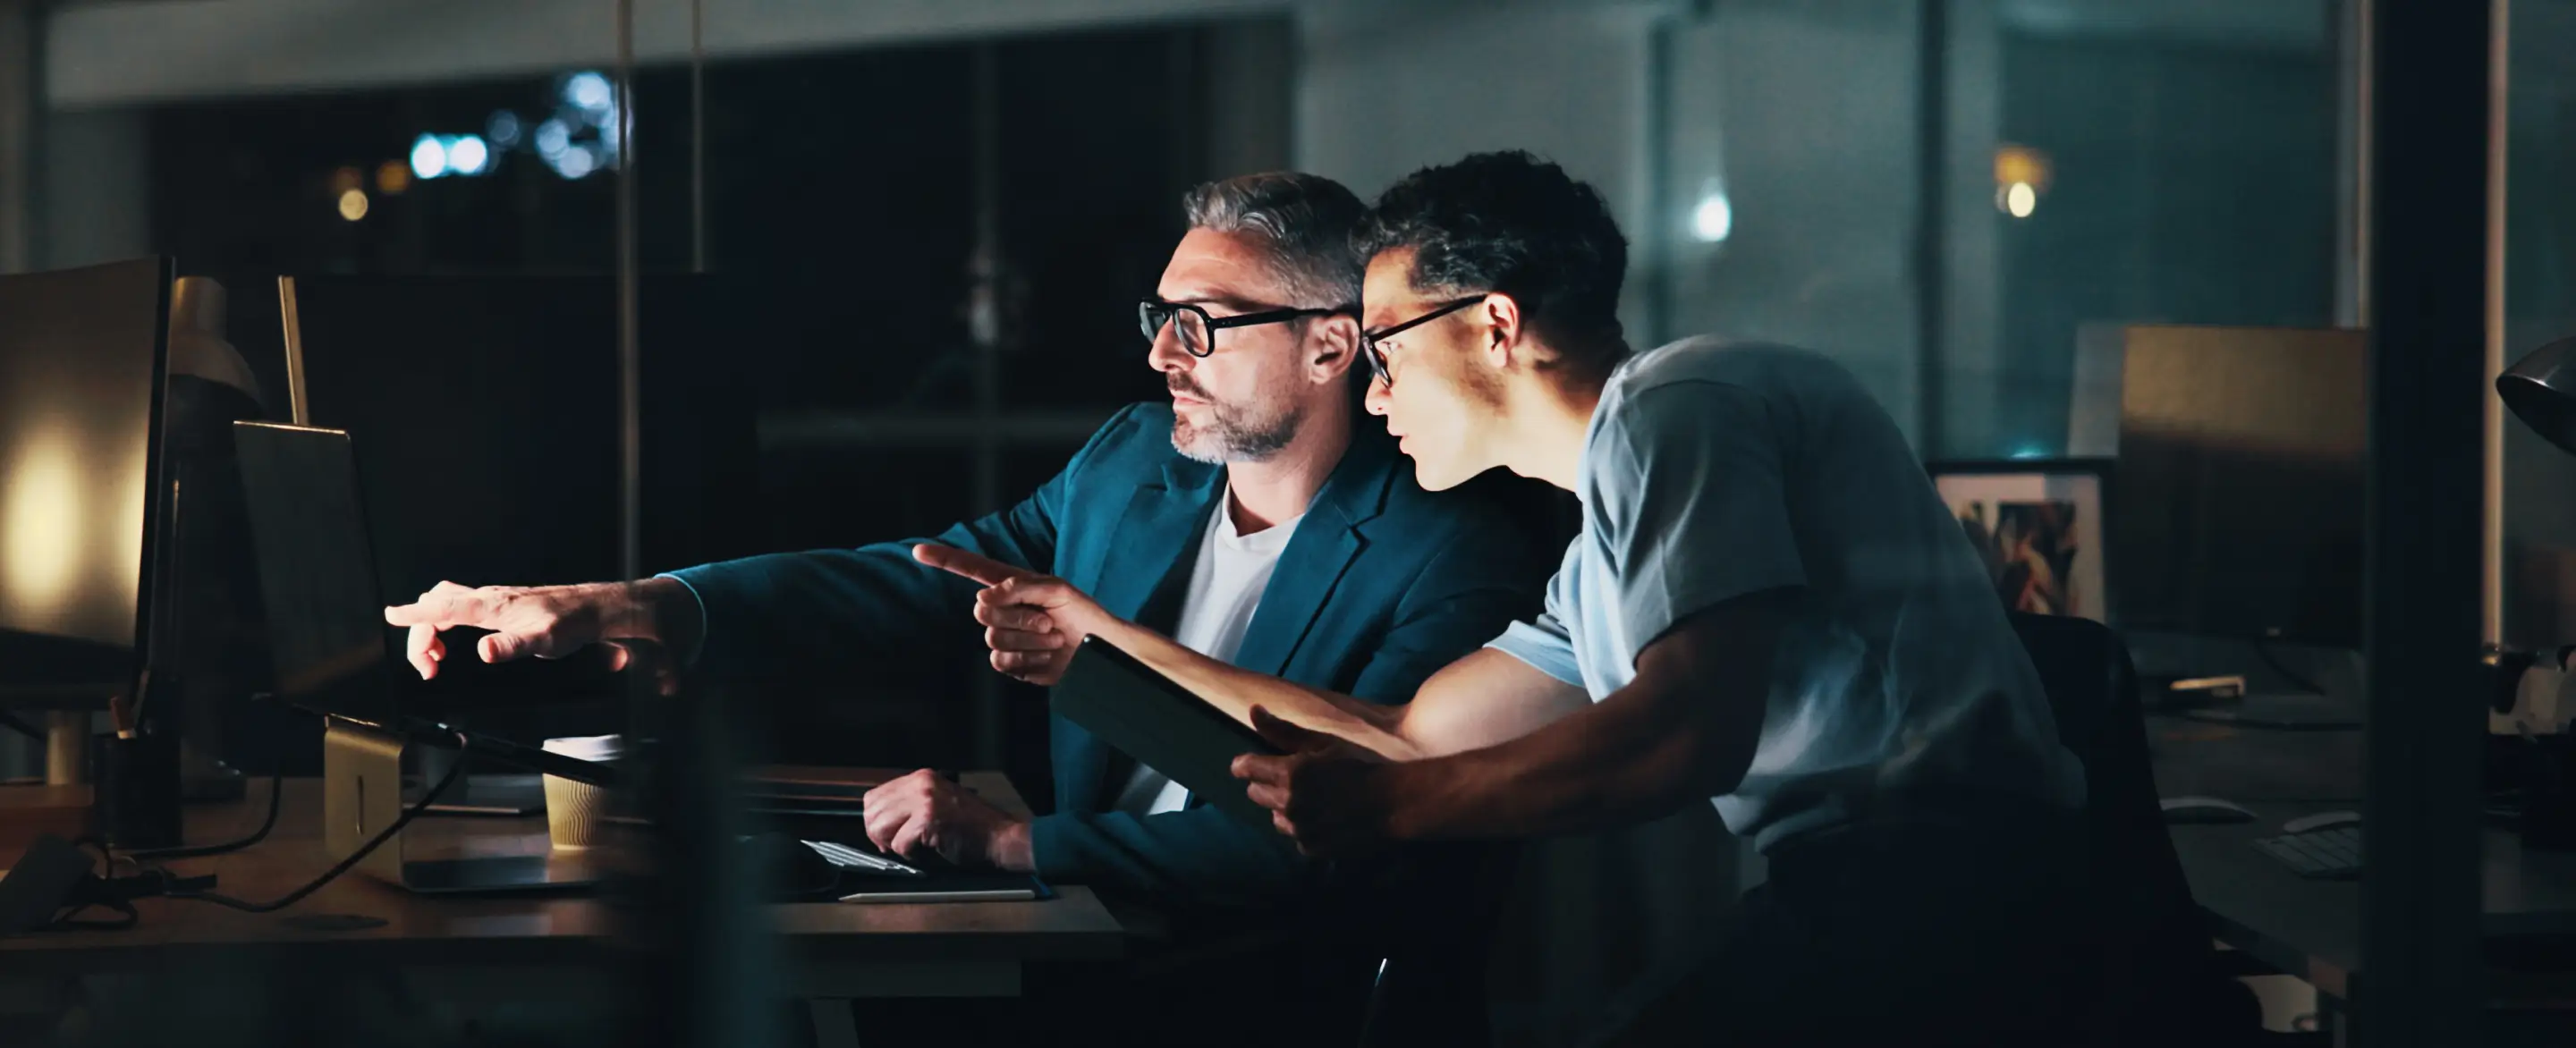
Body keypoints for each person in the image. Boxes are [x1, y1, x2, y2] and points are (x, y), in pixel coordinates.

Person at [927, 151, 2093, 1045]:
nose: (1369, 389)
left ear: (1495, 322)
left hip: (1946, 895)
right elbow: (1408, 733)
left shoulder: (1681, 401)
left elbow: (1688, 731)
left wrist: (1398, 811)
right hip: (1869, 892)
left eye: (1382, 344)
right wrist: (1116, 641)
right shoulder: (1602, 556)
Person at [382, 171, 1547, 1043]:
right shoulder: (1136, 464)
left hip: (1267, 992)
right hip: (1081, 934)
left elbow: (1351, 838)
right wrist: (638, 605)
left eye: (1200, 325)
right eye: (1158, 320)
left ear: (1333, 346)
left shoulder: (1446, 549)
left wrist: (1017, 842)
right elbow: (920, 578)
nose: (1162, 360)